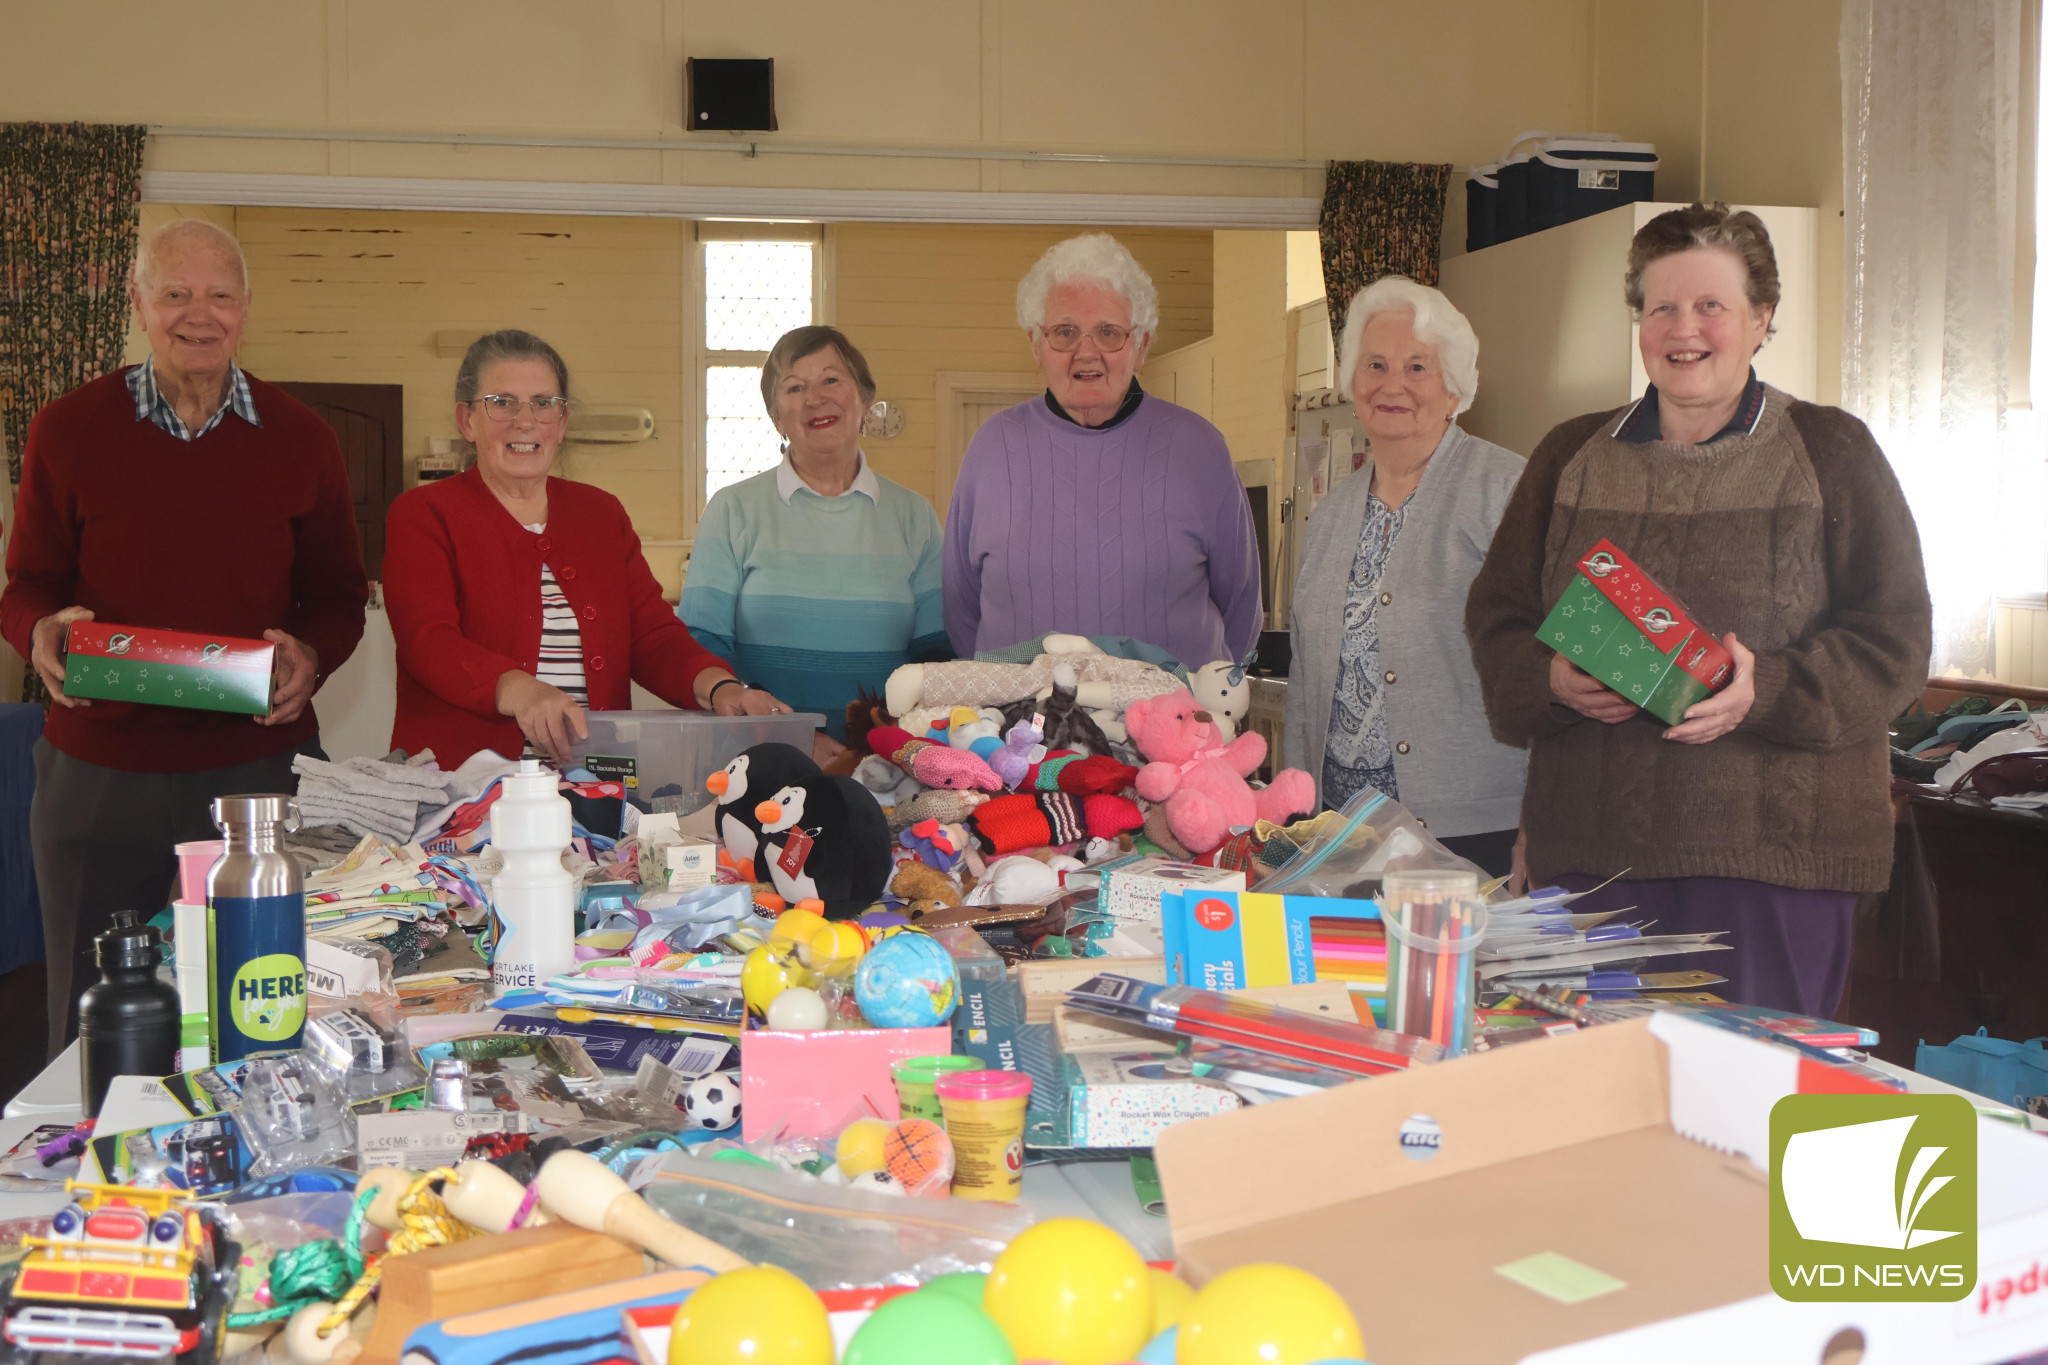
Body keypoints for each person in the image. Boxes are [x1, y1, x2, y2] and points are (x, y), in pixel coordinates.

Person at [1465, 203, 1932, 1016]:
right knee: (1588, 1117)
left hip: (1777, 872)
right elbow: (1497, 615)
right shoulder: (1569, 457)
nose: (1685, 328)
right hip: (1590, 863)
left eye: (1711, 304)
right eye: (1661, 307)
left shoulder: (1832, 452)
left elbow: (1896, 640)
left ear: (1762, 319)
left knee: (1744, 1122)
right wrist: (1551, 680)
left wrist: (1770, 690)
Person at [0, 219, 369, 1056]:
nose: (198, 315)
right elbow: (27, 587)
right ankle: (89, 1168)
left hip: (257, 769)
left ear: (245, 309)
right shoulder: (68, 429)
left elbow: (339, 596)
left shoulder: (304, 437)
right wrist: (42, 632)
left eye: (219, 296)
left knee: (261, 996)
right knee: (88, 1018)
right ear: (138, 302)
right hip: (98, 768)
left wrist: (311, 655)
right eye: (175, 293)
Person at [384, 330, 788, 768]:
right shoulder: (423, 513)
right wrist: (519, 688)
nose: (525, 420)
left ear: (562, 422)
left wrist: (719, 686)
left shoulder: (601, 514)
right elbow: (429, 641)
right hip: (458, 788)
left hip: (594, 783)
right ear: (467, 421)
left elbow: (651, 633)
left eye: (543, 403)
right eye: (501, 402)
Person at [1284, 278, 1526, 878]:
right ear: (1352, 381)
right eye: (1375, 364)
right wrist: (1295, 811)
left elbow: (1559, 665)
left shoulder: (1507, 489)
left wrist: (1549, 819)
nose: (1393, 384)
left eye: (1417, 366)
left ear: (1453, 387)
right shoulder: (1333, 511)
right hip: (1340, 831)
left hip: (1475, 830)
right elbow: (1306, 682)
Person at [943, 233, 1261, 670]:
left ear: (1142, 346)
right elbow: (961, 608)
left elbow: (1242, 607)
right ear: (1036, 345)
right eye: (1065, 332)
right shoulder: (991, 447)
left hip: (1167, 732)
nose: (1086, 351)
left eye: (1108, 332)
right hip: (1017, 733)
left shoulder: (1200, 450)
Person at [679, 326, 946, 746]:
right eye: (795, 387)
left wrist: (893, 745)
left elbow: (936, 653)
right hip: (761, 755)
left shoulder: (914, 515)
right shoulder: (733, 510)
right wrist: (790, 736)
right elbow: (701, 644)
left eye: (831, 379)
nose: (814, 398)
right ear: (776, 417)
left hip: (888, 758)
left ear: (864, 400)